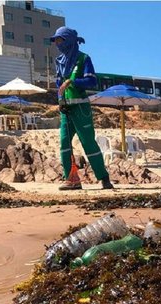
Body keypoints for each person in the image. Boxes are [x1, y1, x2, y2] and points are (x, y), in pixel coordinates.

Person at [50, 26, 113, 190]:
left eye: (59, 40)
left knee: (88, 142)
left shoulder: (83, 58)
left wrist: (73, 81)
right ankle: (71, 179)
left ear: (69, 40)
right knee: (64, 143)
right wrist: (60, 102)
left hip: (81, 108)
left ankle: (104, 178)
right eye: (55, 40)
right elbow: (59, 86)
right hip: (66, 110)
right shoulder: (59, 62)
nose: (57, 43)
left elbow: (92, 82)